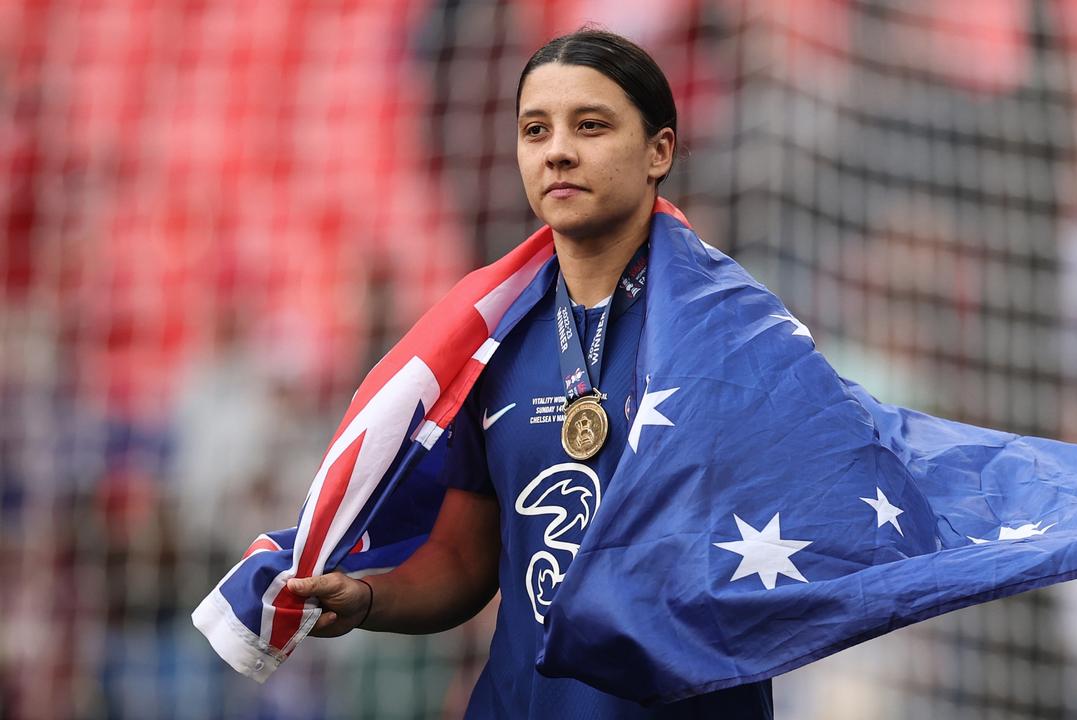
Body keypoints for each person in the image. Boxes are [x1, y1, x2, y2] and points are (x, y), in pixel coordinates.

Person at [284, 29, 774, 718]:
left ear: (659, 151)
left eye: (591, 125)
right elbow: (464, 561)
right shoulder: (493, 341)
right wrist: (368, 598)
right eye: (535, 129)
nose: (559, 150)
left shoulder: (731, 332)